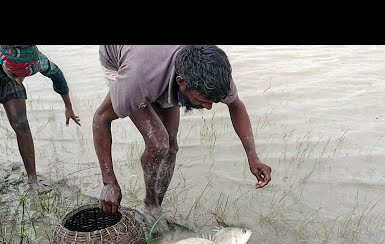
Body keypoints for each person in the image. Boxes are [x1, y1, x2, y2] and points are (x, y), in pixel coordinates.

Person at [93, 45, 272, 220]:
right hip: (122, 60)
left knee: (171, 145)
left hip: (159, 66)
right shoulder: (135, 79)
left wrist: (253, 158)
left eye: (213, 101)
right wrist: (109, 182)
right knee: (158, 142)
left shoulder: (215, 75)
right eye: (203, 100)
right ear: (181, 82)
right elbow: (100, 118)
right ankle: (150, 202)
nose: (209, 107)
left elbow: (236, 105)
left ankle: (156, 206)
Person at [0, 45, 81, 186]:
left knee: (21, 124)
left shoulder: (38, 61)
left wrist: (68, 107)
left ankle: (32, 179)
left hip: (8, 79)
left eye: (24, 75)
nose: (20, 80)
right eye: (16, 75)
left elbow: (58, 75)